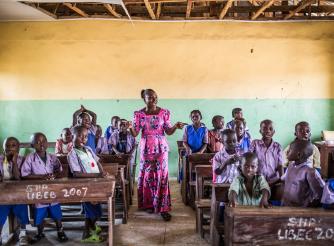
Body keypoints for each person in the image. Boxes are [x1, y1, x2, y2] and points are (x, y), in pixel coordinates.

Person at [129, 89, 185, 221]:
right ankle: (148, 204)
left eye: (155, 97)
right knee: (147, 176)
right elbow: (135, 133)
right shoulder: (139, 114)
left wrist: (176, 126)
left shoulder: (164, 113)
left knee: (162, 176)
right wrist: (129, 127)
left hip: (161, 148)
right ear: (144, 99)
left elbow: (169, 131)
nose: (153, 99)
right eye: (150, 98)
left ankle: (163, 208)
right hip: (146, 148)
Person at [21, 133, 68, 242]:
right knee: (39, 214)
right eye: (37, 142)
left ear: (47, 143)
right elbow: (24, 175)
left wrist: (55, 175)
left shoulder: (52, 157)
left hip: (52, 191)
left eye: (44, 141)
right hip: (38, 192)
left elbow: (59, 170)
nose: (41, 144)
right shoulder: (30, 158)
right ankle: (40, 233)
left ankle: (60, 231)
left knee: (56, 214)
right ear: (32, 145)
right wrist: (41, 176)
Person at [67, 125, 108, 243]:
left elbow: (97, 161)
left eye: (85, 137)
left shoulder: (88, 149)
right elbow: (76, 174)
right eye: (79, 136)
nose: (83, 139)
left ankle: (93, 227)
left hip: (95, 184)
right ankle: (87, 234)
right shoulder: (72, 154)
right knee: (91, 212)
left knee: (97, 210)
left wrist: (102, 172)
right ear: (72, 137)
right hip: (85, 186)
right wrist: (96, 175)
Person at [0, 137, 29, 246]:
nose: (10, 148)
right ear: (3, 148)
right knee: (1, 211)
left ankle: (23, 232)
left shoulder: (22, 159)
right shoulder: (0, 159)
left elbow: (18, 178)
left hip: (18, 194)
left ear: (18, 148)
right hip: (3, 195)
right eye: (7, 146)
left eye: (13, 146)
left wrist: (15, 162)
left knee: (22, 207)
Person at [282, 139, 324, 207]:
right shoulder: (290, 166)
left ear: (299, 154)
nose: (287, 152)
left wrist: (308, 206)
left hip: (300, 210)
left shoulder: (310, 172)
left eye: (290, 150)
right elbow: (283, 178)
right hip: (285, 206)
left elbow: (320, 194)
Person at [251, 120, 283, 186]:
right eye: (264, 128)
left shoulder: (277, 147)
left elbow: (280, 165)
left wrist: (282, 179)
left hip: (274, 181)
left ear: (274, 132)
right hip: (258, 180)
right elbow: (250, 160)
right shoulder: (255, 144)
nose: (268, 131)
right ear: (260, 131)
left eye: (270, 129)